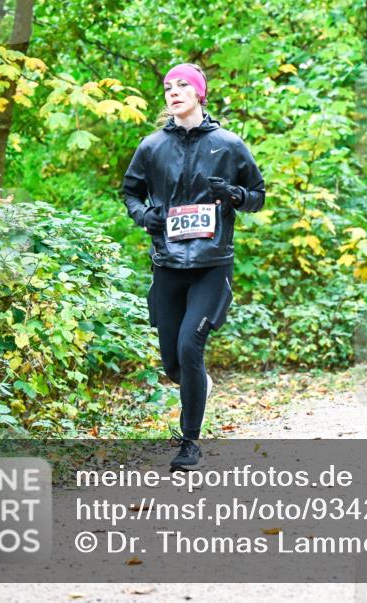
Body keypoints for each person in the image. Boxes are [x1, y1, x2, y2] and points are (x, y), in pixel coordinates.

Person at [122, 63, 266, 470]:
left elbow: (258, 194)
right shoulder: (151, 146)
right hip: (167, 264)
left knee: (190, 346)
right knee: (173, 362)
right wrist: (144, 216)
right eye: (168, 87)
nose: (174, 91)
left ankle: (189, 444)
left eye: (183, 85)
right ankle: (198, 383)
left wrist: (235, 194)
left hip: (211, 265)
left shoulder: (229, 144)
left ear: (199, 93)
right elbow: (130, 192)